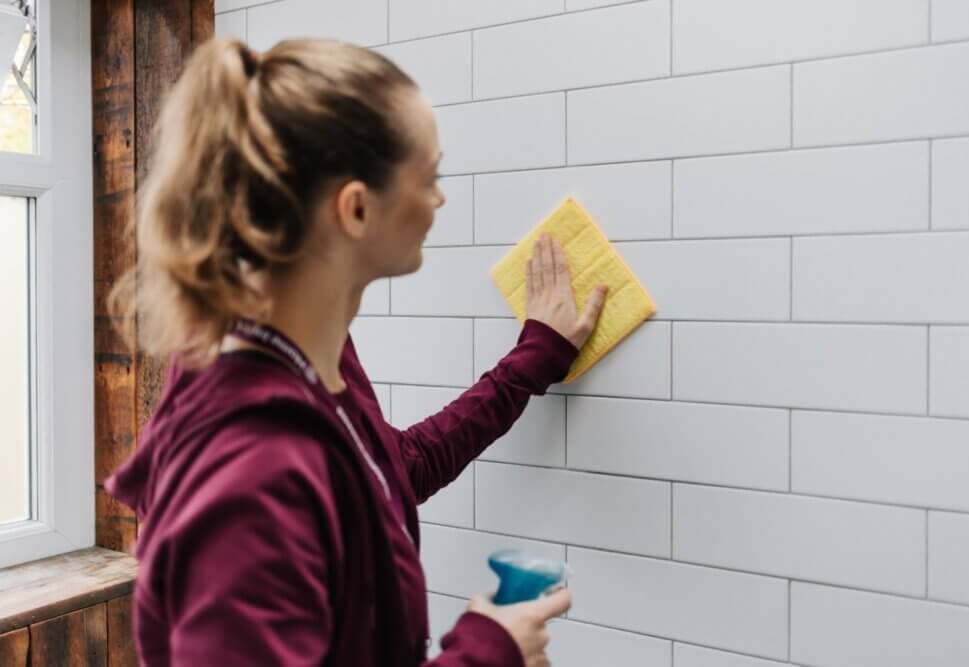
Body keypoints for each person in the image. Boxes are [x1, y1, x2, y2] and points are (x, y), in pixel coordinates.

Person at [105, 37, 608, 667]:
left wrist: (535, 357)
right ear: (357, 207)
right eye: (430, 176)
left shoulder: (310, 363)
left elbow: (393, 469)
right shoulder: (250, 470)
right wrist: (486, 654)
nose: (441, 199)